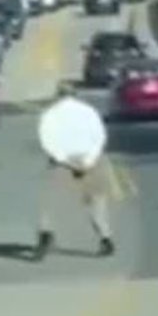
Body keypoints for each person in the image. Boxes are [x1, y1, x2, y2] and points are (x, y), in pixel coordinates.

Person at [35, 81, 112, 260]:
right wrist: (88, 160)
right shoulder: (88, 112)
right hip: (91, 160)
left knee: (50, 202)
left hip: (62, 163)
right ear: (75, 94)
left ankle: (45, 236)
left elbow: (47, 141)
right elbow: (99, 136)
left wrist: (65, 160)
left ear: (58, 95)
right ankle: (105, 238)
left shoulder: (49, 114)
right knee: (96, 201)